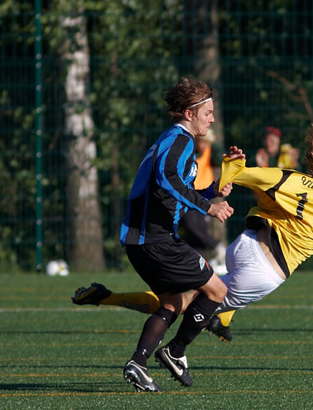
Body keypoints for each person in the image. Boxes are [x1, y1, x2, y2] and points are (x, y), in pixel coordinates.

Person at [72, 119, 313, 345]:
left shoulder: (288, 179)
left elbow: (238, 175)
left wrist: (232, 165)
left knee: (196, 297)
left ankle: (222, 319)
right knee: (178, 305)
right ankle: (114, 301)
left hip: (245, 244)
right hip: (265, 267)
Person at [118, 77, 236, 392]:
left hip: (143, 241)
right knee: (217, 291)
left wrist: (213, 191)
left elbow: (174, 188)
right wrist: (208, 208)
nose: (212, 118)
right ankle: (174, 351)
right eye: (208, 112)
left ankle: (138, 364)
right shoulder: (180, 140)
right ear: (188, 113)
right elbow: (166, 178)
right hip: (155, 240)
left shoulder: (173, 140)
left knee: (172, 304)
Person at [178, 129, 228, 274]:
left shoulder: (209, 152)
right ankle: (198, 264)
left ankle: (216, 248)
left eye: (208, 143)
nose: (205, 146)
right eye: (203, 142)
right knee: (192, 230)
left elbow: (220, 159)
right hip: (189, 195)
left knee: (194, 227)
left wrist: (214, 146)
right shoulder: (189, 153)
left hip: (202, 196)